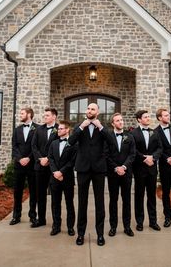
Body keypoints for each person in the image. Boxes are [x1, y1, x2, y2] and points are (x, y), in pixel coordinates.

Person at [68, 103, 112, 246]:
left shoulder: (103, 127)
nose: (89, 111)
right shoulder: (79, 126)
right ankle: (80, 234)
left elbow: (111, 142)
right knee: (82, 202)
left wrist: (100, 127)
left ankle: (100, 234)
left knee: (100, 203)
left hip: (99, 169)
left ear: (97, 112)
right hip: (83, 169)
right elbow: (71, 141)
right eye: (88, 108)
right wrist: (82, 127)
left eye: (93, 109)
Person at [131, 110, 162, 231]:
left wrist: (153, 157)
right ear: (139, 119)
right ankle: (139, 222)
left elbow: (160, 148)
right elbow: (133, 150)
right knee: (139, 196)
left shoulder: (154, 133)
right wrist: (144, 158)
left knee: (151, 196)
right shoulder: (133, 133)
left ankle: (153, 222)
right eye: (145, 117)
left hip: (152, 169)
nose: (148, 118)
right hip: (139, 169)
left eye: (149, 117)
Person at [106, 113, 136, 237]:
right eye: (117, 121)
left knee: (126, 200)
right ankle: (113, 227)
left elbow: (132, 154)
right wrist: (115, 167)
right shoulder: (108, 136)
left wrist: (123, 167)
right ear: (113, 123)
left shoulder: (129, 136)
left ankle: (127, 227)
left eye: (121, 120)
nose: (121, 122)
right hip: (113, 173)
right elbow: (105, 154)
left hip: (126, 173)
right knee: (113, 200)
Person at [10, 107, 39, 225]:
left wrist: (29, 158)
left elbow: (37, 146)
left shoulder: (38, 129)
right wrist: (20, 158)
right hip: (19, 165)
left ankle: (32, 216)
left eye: (22, 113)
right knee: (17, 191)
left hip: (32, 165)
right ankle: (16, 216)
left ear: (29, 114)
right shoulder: (17, 130)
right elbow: (14, 146)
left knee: (33, 191)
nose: (20, 115)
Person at [48, 120, 77, 236]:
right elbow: (50, 158)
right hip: (54, 178)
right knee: (55, 203)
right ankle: (56, 226)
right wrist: (55, 172)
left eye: (61, 129)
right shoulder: (53, 143)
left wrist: (61, 172)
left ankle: (70, 227)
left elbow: (72, 161)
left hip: (67, 178)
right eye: (58, 129)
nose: (58, 130)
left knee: (69, 203)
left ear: (67, 130)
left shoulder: (73, 144)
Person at [31, 107, 58, 227]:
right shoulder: (38, 129)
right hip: (40, 167)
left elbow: (61, 147)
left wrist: (48, 158)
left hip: (53, 167)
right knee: (40, 195)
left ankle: (56, 222)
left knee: (55, 197)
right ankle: (41, 220)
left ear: (54, 116)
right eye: (45, 115)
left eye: (47, 115)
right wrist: (40, 159)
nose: (45, 117)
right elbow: (34, 146)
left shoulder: (59, 129)